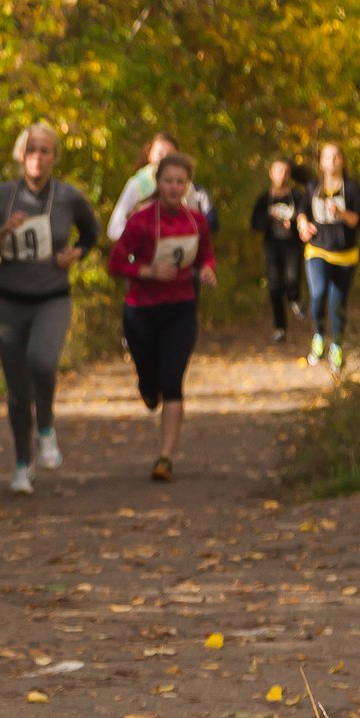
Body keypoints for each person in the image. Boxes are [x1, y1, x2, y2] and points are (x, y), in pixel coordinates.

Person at [0, 122, 100, 494]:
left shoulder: (67, 197)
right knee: (16, 389)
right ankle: (21, 463)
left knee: (43, 362)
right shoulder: (2, 197)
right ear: (20, 155)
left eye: (45, 150)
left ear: (54, 157)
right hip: (9, 301)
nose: (38, 157)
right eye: (31, 150)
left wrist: (76, 253)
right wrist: (3, 233)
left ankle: (46, 428)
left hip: (52, 297)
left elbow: (91, 232)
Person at [106, 147, 215, 481]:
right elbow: (116, 263)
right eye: (168, 181)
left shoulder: (195, 221)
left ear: (187, 185)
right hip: (141, 311)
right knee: (151, 382)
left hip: (181, 308)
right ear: (158, 182)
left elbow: (205, 256)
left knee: (173, 382)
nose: (173, 187)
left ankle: (164, 458)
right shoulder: (140, 220)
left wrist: (208, 271)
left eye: (180, 182)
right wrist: (148, 272)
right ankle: (146, 385)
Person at [297, 140, 360, 371]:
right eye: (327, 156)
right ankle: (318, 335)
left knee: (337, 303)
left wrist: (341, 213)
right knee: (318, 294)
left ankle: (337, 346)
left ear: (343, 161)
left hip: (345, 255)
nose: (332, 161)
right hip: (317, 250)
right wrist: (303, 226)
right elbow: (301, 212)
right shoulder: (313, 187)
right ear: (321, 162)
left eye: (336, 156)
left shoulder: (352, 188)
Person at [107, 130, 215, 240]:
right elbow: (114, 229)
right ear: (150, 155)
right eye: (160, 154)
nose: (164, 160)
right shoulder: (137, 184)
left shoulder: (187, 188)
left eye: (170, 156)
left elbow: (196, 226)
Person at [250, 158, 309, 341]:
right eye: (277, 171)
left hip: (292, 245)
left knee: (292, 278)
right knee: (275, 286)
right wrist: (270, 219)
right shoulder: (264, 198)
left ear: (289, 174)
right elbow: (254, 223)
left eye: (284, 172)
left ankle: (294, 299)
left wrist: (291, 222)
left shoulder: (297, 195)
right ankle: (280, 327)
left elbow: (304, 214)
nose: (281, 176)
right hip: (272, 246)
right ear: (271, 173)